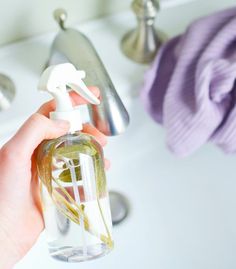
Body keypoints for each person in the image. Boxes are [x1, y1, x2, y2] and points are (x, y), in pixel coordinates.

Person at [0, 87, 108, 269]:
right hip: (59, 247)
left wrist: (6, 239)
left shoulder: (87, 144)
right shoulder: (51, 150)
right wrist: (5, 236)